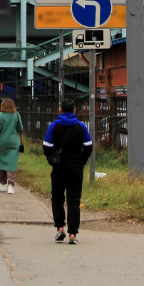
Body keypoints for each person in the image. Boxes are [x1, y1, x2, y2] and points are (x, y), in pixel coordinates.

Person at [43, 99, 93, 245]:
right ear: (74, 111)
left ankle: (59, 228)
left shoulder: (54, 126)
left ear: (60, 110)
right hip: (76, 168)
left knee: (57, 198)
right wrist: (81, 161)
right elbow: (88, 146)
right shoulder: (81, 126)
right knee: (74, 200)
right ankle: (72, 234)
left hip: (59, 169)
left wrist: (52, 158)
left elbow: (46, 146)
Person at [0, 99, 23, 194]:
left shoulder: (0, 115)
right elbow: (20, 128)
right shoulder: (16, 115)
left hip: (2, 142)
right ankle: (11, 185)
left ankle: (2, 183)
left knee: (2, 160)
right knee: (12, 163)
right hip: (14, 142)